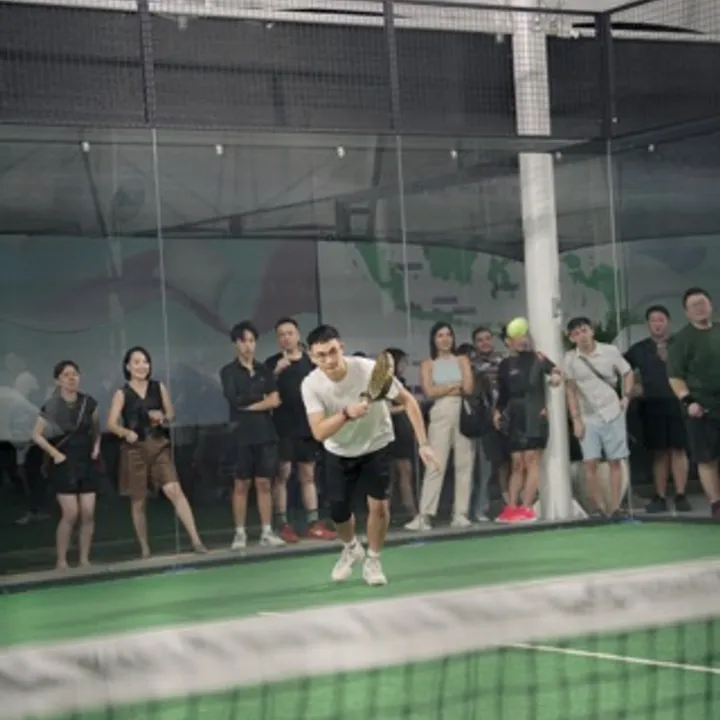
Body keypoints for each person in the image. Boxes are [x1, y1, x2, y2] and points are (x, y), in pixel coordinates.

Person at [300, 325, 438, 586]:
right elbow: (318, 431)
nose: (329, 360)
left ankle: (373, 559)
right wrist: (346, 414)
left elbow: (408, 401)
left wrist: (423, 443)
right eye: (321, 355)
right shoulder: (311, 385)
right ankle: (351, 548)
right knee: (339, 512)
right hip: (339, 450)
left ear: (341, 347)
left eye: (332, 351)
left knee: (379, 507)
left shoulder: (368, 370)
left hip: (376, 444)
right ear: (312, 357)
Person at [107, 346, 206, 557]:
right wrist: (125, 432)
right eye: (136, 362)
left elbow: (171, 414)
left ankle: (196, 540)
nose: (142, 366)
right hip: (134, 448)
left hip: (158, 443)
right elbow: (111, 424)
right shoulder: (122, 393)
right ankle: (144, 548)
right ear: (128, 366)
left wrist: (162, 417)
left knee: (174, 489)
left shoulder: (158, 387)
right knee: (138, 499)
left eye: (145, 362)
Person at [266, 317, 336, 543]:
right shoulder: (271, 364)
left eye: (290, 333)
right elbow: (264, 393)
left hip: (307, 426)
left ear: (297, 336)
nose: (286, 338)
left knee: (308, 474)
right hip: (282, 427)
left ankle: (314, 523)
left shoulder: (311, 362)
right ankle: (282, 524)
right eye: (281, 335)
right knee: (283, 474)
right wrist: (276, 372)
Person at [220, 321, 285, 550]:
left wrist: (252, 405)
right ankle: (240, 533)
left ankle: (267, 531)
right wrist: (261, 400)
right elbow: (235, 400)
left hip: (265, 433)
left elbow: (275, 400)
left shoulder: (264, 369)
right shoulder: (228, 372)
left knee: (264, 483)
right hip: (240, 435)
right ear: (235, 344)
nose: (248, 346)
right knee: (241, 484)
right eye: (243, 341)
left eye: (251, 341)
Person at [31, 361, 101, 569]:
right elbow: (36, 435)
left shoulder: (89, 403)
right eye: (66, 375)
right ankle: (61, 560)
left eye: (75, 374)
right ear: (58, 380)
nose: (72, 378)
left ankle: (84, 559)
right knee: (71, 513)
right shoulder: (51, 405)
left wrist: (96, 448)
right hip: (64, 461)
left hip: (86, 460)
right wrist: (55, 454)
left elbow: (97, 430)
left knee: (88, 512)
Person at [406, 322, 475, 531]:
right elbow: (429, 392)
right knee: (435, 463)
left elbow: (468, 388)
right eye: (440, 335)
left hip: (462, 410)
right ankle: (425, 514)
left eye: (448, 335)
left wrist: (444, 388)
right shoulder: (428, 364)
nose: (445, 339)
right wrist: (454, 386)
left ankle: (461, 513)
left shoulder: (462, 360)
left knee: (464, 463)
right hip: (440, 412)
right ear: (433, 340)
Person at [564, 317, 634, 518]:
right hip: (587, 416)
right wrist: (576, 419)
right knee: (590, 461)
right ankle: (596, 507)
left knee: (615, 460)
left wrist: (626, 397)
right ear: (571, 338)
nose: (582, 336)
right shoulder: (570, 358)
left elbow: (628, 372)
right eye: (576, 333)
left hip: (612, 412)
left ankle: (615, 506)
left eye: (584, 330)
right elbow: (570, 390)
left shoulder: (610, 351)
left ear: (592, 331)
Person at [625, 305, 690, 513]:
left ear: (668, 322)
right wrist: (633, 387)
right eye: (653, 320)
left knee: (678, 449)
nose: (657, 324)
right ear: (648, 324)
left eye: (661, 320)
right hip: (652, 405)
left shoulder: (680, 344)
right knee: (659, 452)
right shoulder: (639, 348)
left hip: (678, 403)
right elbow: (622, 369)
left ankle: (681, 495)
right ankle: (660, 496)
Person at [494, 326, 563, 524]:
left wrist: (555, 378)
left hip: (535, 412)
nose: (522, 340)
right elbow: (503, 393)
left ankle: (526, 507)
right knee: (517, 462)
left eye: (524, 336)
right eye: (517, 337)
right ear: (508, 341)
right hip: (515, 416)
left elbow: (555, 371)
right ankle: (511, 507)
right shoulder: (505, 365)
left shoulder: (537, 358)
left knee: (532, 459)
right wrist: (497, 411)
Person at [666, 287, 720, 518]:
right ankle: (716, 503)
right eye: (694, 305)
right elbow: (675, 377)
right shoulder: (680, 340)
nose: (699, 308)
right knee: (707, 459)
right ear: (686, 312)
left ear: (711, 305)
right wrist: (688, 402)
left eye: (702, 303)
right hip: (701, 408)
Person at [469, 326, 508, 519]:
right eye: (480, 340)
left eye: (487, 338)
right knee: (484, 467)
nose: (485, 343)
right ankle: (480, 508)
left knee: (507, 464)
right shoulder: (469, 365)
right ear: (475, 344)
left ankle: (509, 504)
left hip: (507, 418)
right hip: (483, 422)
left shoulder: (504, 361)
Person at [384, 347, 418, 523]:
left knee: (406, 473)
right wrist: (408, 405)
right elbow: (385, 410)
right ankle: (386, 515)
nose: (405, 366)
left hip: (403, 433)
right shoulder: (385, 383)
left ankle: (411, 511)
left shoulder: (400, 382)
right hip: (391, 433)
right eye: (402, 362)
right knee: (390, 477)